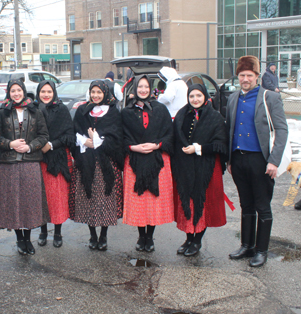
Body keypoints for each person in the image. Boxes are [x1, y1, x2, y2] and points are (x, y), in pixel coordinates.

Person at [226, 55, 288, 267]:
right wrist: (229, 160)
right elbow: (230, 129)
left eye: (249, 75)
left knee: (263, 206)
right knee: (246, 204)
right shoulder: (233, 98)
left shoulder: (269, 97)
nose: (245, 79)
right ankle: (247, 246)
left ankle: (261, 250)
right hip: (238, 159)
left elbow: (281, 129)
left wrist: (274, 161)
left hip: (261, 161)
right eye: (242, 75)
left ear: (257, 76)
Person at [0, 79, 50, 256]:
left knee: (29, 202)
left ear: (24, 92)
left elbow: (43, 135)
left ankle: (28, 239)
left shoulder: (35, 111)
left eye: (19, 90)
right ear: (8, 93)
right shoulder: (1, 112)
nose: (16, 94)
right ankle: (19, 240)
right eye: (12, 91)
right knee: (13, 202)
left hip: (31, 161)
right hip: (9, 164)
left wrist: (29, 147)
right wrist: (10, 144)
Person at [172, 84, 228, 256]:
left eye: (198, 95)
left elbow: (220, 144)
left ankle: (197, 241)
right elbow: (175, 138)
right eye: (192, 96)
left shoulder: (215, 117)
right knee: (186, 203)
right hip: (185, 167)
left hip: (206, 169)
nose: (195, 99)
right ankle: (189, 238)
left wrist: (198, 149)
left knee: (202, 204)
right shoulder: (182, 114)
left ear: (205, 96)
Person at [121, 75, 174, 252]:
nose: (143, 90)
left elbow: (170, 135)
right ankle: (140, 236)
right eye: (140, 87)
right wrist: (133, 147)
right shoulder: (127, 112)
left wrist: (157, 145)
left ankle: (150, 237)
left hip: (157, 160)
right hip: (134, 160)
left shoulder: (160, 109)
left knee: (152, 201)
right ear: (134, 88)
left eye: (146, 87)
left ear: (150, 89)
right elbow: (120, 137)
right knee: (139, 201)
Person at [69, 80, 124, 251]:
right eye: (93, 92)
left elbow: (117, 137)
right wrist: (84, 140)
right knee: (89, 198)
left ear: (105, 93)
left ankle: (104, 235)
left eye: (99, 92)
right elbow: (74, 131)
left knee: (105, 200)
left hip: (106, 163)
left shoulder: (113, 112)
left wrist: (98, 140)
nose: (96, 95)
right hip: (86, 162)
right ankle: (92, 235)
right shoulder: (82, 111)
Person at [35, 80, 75, 248]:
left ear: (54, 93)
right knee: (41, 196)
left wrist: (51, 144)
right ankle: (43, 231)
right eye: (43, 91)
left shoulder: (62, 109)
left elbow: (69, 135)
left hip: (57, 158)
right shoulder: (34, 110)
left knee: (56, 198)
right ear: (38, 93)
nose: (46, 94)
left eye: (49, 91)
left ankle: (58, 232)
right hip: (38, 159)